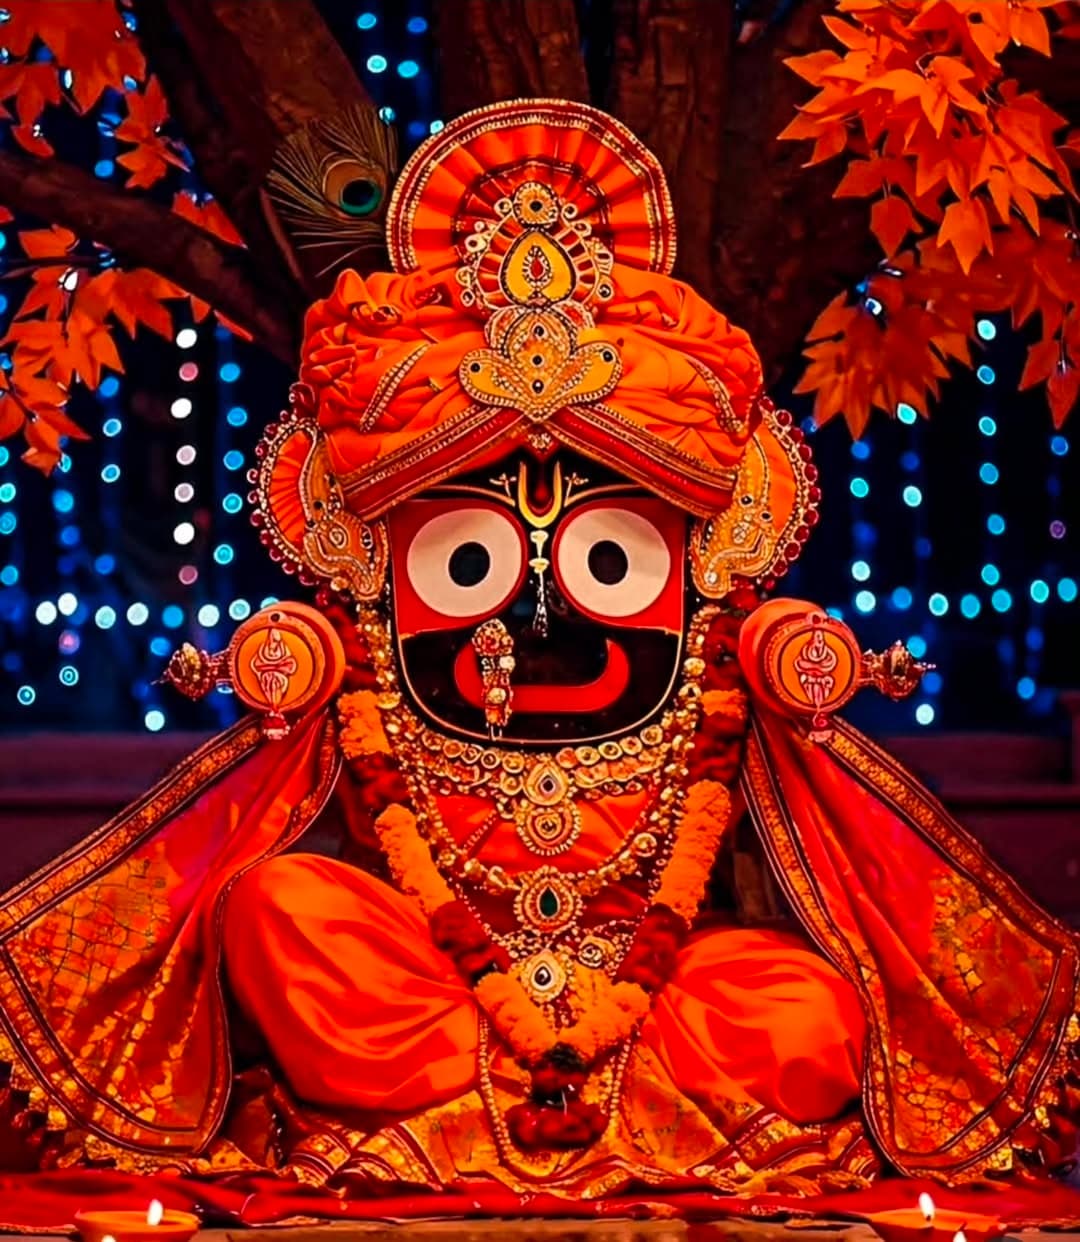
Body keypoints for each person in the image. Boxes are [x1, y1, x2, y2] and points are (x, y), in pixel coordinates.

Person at [0, 99, 1075, 1201]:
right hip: (429, 982)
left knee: (806, 1011)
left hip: (651, 994)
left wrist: (795, 656)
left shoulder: (713, 652)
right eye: (473, 560)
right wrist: (297, 656)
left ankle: (516, 1104)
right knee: (282, 915)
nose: (545, 611)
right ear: (374, 559)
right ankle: (518, 1098)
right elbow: (303, 704)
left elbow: (781, 681)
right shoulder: (366, 642)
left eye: (608, 560)